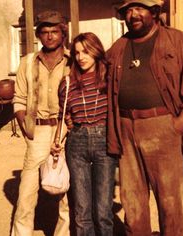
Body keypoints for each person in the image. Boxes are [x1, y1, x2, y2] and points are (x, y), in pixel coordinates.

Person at [106, 0, 183, 235]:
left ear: (154, 11)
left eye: (139, 8)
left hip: (162, 126)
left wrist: (180, 123)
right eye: (128, 10)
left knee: (168, 199)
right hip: (125, 127)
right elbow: (97, 72)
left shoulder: (176, 40)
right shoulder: (119, 46)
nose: (133, 15)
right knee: (131, 199)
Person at [51, 32, 117, 236]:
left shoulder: (110, 79)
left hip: (104, 141)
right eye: (77, 52)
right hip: (76, 142)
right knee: (81, 210)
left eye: (86, 51)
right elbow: (64, 117)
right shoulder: (67, 83)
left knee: (103, 210)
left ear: (96, 50)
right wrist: (56, 141)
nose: (81, 57)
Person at [11, 10, 70, 236]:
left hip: (66, 128)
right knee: (27, 191)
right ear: (38, 35)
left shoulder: (73, 61)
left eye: (54, 31)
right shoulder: (27, 62)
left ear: (63, 33)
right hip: (37, 129)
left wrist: (70, 130)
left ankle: (63, 233)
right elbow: (19, 99)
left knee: (65, 187)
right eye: (44, 32)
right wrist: (26, 128)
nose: (49, 36)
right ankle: (21, 233)